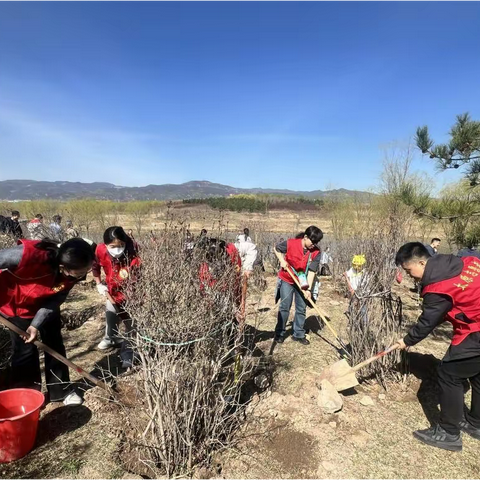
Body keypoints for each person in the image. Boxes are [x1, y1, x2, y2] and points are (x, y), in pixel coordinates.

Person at [393, 242, 480, 452]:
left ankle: (448, 433)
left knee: (448, 374)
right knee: (477, 374)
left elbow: (428, 321)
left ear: (422, 262)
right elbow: (449, 305)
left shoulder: (437, 287)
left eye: (409, 270)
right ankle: (476, 422)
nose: (409, 276)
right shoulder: (459, 262)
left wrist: (407, 341)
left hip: (475, 331)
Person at [0, 238, 94, 405]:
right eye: (80, 273)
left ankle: (61, 390)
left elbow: (56, 299)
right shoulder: (30, 255)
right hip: (16, 306)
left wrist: (36, 324)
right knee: (24, 351)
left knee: (54, 344)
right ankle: (27, 395)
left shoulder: (74, 271)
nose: (83, 275)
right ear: (63, 267)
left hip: (46, 305)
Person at [92, 226, 140, 368]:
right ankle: (110, 338)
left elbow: (136, 279)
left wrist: (129, 300)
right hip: (112, 290)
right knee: (111, 314)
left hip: (132, 293)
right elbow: (95, 267)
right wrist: (99, 283)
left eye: (121, 246)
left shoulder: (133, 253)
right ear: (106, 245)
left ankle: (128, 354)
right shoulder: (100, 250)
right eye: (113, 246)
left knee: (131, 325)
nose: (117, 249)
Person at [274, 225, 323, 345]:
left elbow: (312, 272)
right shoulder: (291, 243)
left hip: (303, 282)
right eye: (313, 241)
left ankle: (298, 334)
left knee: (301, 308)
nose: (314, 244)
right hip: (287, 279)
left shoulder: (316, 252)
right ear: (305, 237)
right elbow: (276, 249)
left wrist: (308, 290)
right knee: (285, 306)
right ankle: (280, 333)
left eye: (317, 242)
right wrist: (282, 260)